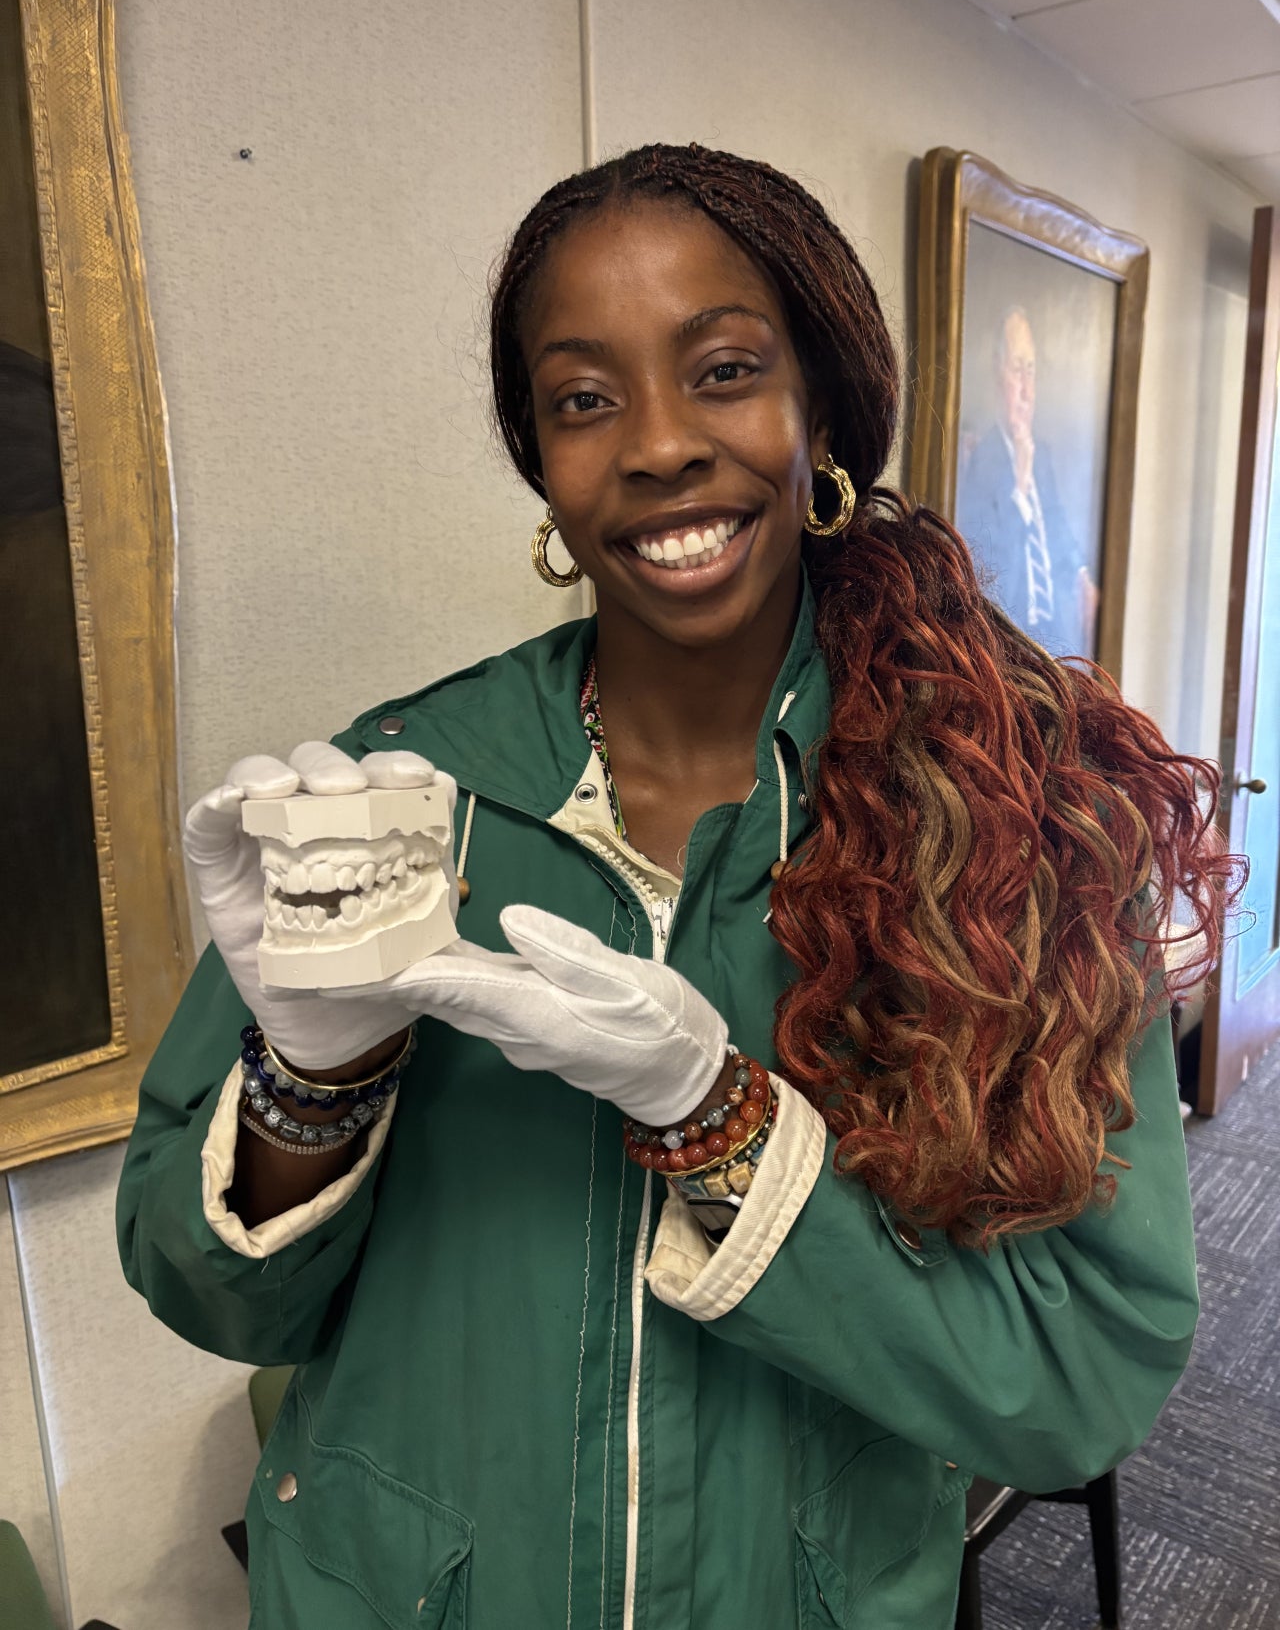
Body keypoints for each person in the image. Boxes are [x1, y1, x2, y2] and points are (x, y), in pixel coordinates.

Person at [117, 144, 1238, 1630]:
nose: (655, 445)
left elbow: (1078, 1382)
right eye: (585, 398)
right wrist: (308, 1088)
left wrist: (729, 1124)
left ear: (818, 408)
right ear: (539, 460)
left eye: (721, 370)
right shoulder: (402, 796)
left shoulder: (1003, 819)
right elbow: (214, 1301)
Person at [958, 305, 1101, 657]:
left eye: (1031, 371)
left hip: (1055, 637)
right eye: (1017, 370)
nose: (1027, 389)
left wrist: (1082, 575)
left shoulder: (1043, 456)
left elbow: (1058, 526)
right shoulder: (980, 461)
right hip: (1009, 642)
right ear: (997, 375)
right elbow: (989, 573)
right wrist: (1018, 492)